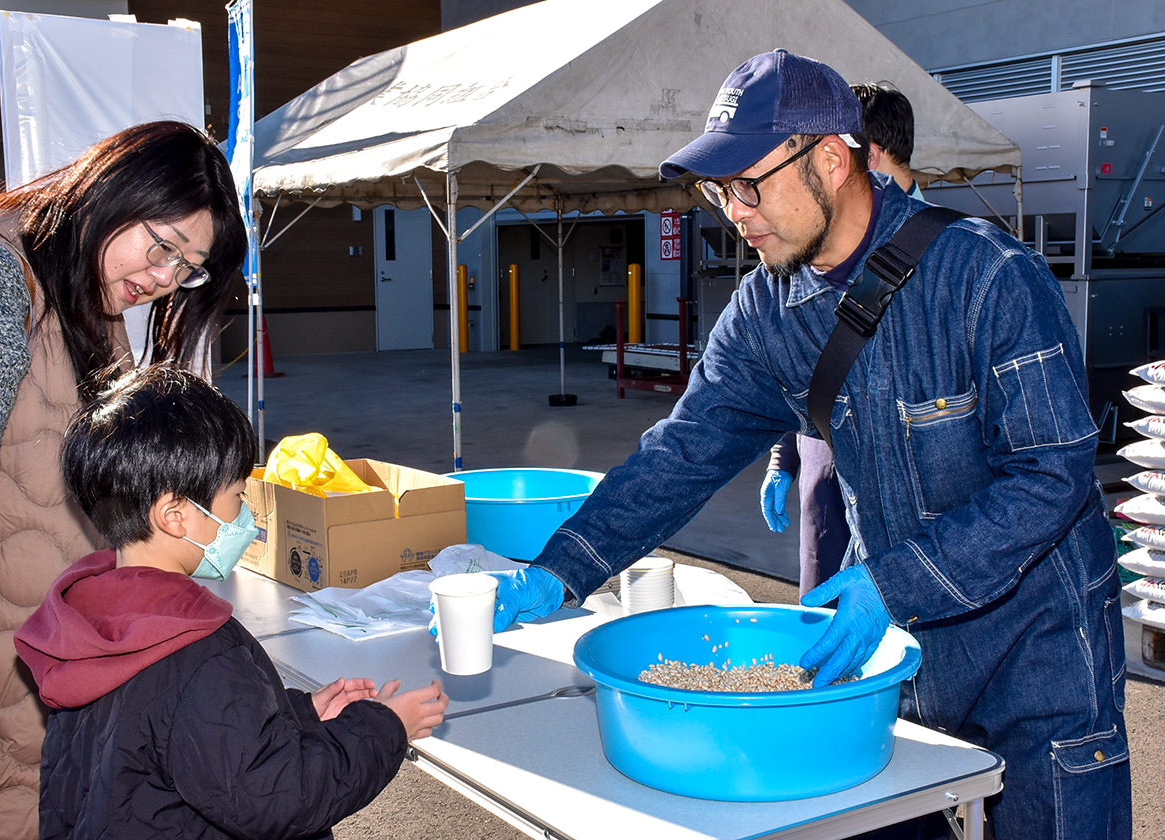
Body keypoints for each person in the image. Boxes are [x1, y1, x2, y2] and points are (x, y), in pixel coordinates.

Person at [473, 50, 1131, 837]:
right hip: (901, 659)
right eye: (719, 190)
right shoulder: (765, 310)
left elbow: (1052, 478)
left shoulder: (987, 278)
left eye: (750, 183)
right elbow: (681, 454)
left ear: (829, 158)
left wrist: (892, 584)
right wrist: (562, 567)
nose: (734, 211)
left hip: (1040, 651)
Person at [0, 121, 247, 838]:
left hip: (39, 699)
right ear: (109, 192)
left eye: (187, 269)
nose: (163, 279)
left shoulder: (92, 299)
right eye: (162, 246)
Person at [13, 364, 447, 839]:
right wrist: (385, 727)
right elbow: (280, 798)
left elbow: (167, 736)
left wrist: (294, 715)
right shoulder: (197, 649)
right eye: (237, 497)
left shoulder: (88, 617)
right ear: (176, 515)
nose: (247, 516)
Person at [761, 81, 923, 595]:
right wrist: (783, 458)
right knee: (824, 614)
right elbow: (801, 364)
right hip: (825, 479)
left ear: (862, 156)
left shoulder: (957, 264)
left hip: (912, 501)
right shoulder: (808, 254)